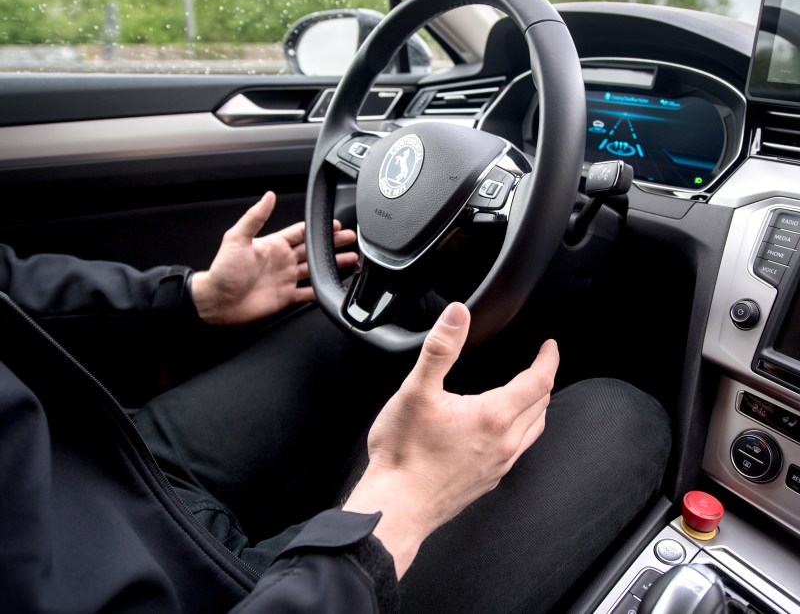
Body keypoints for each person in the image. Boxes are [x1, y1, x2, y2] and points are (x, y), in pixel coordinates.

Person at [0, 191, 673, 614]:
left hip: (98, 463)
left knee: (385, 300)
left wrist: (192, 297)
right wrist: (400, 509)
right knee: (624, 415)